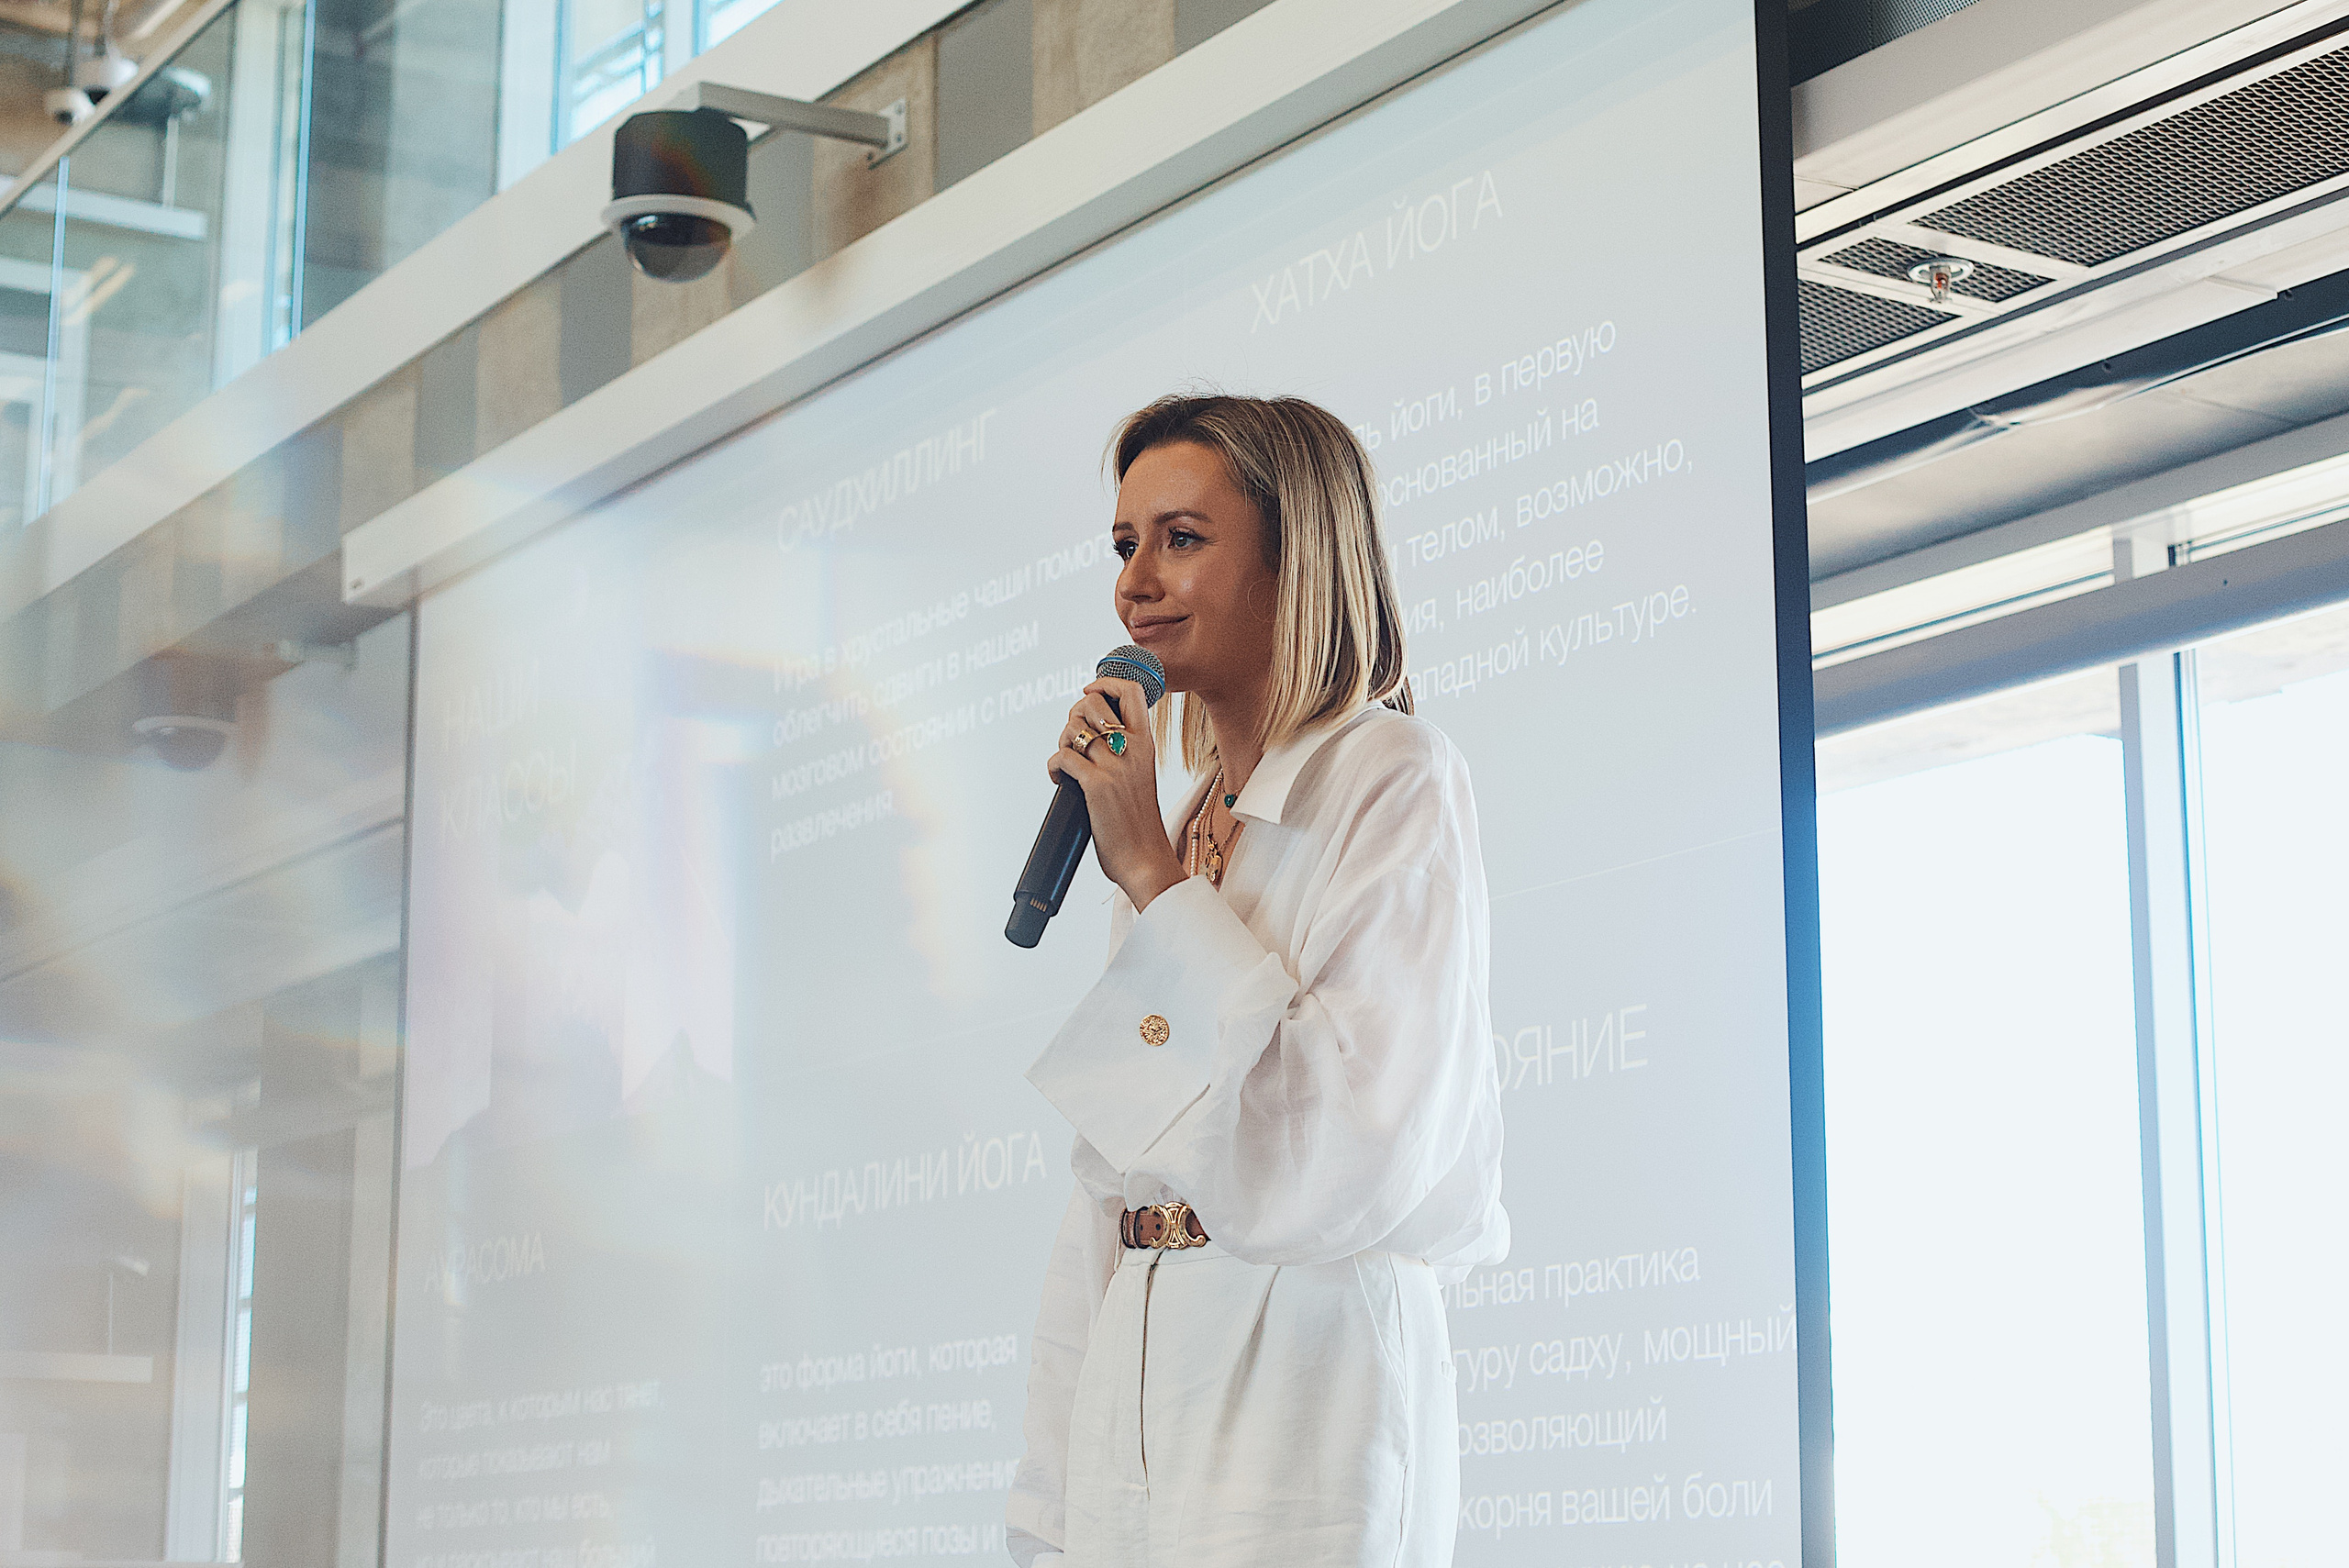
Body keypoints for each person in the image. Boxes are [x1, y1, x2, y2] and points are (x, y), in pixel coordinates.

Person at [1008, 394, 1508, 1567]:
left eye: (1181, 538)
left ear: (1300, 559)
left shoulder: (1391, 776)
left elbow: (1350, 1137)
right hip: (1137, 1389)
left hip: (1303, 1382)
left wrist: (1142, 872)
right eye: (1124, 544)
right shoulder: (1181, 827)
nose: (1136, 581)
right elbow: (1111, 1190)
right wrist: (1048, 1508)